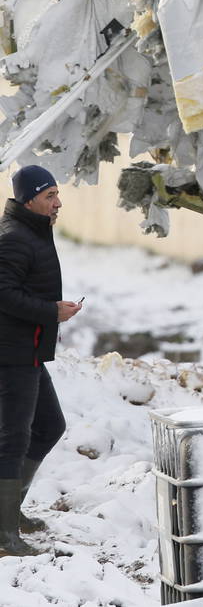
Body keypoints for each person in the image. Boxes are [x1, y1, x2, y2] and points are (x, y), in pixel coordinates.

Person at [0, 166, 81, 556]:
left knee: (49, 426)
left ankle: (9, 513)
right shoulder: (14, 238)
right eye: (50, 196)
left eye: (57, 194)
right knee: (13, 440)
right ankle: (4, 535)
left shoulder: (31, 232)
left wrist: (52, 312)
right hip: (11, 353)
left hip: (28, 350)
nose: (58, 202)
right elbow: (3, 293)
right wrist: (51, 311)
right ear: (29, 199)